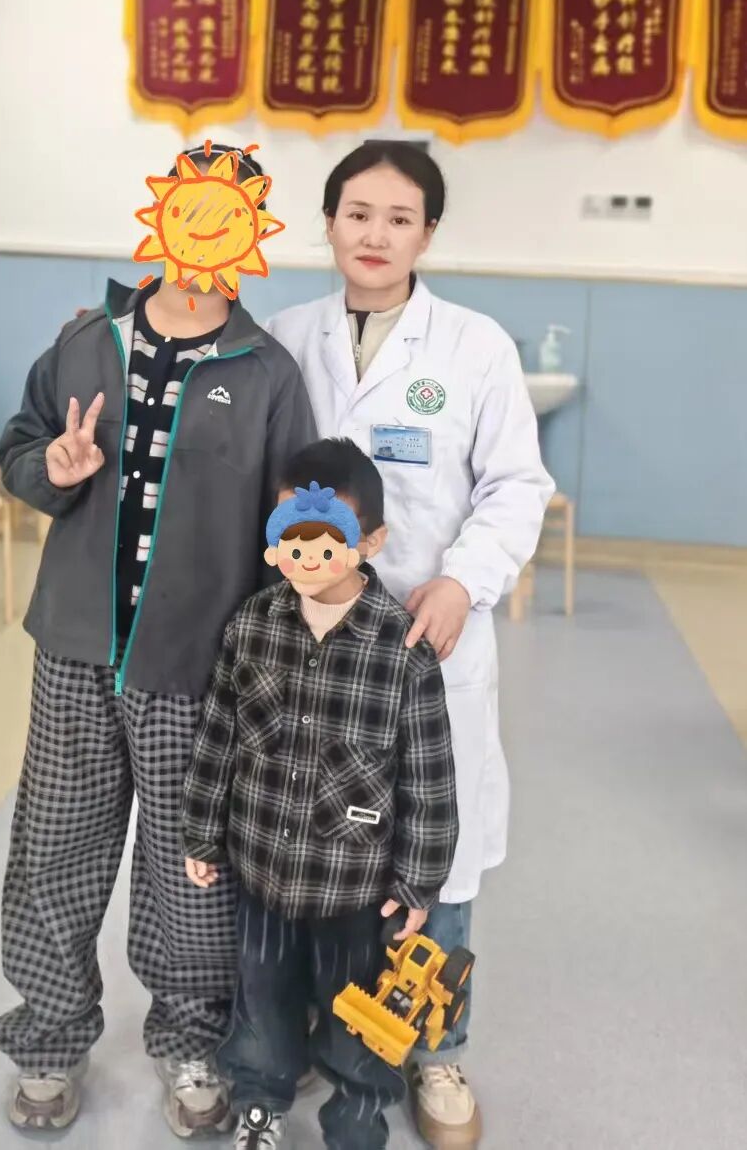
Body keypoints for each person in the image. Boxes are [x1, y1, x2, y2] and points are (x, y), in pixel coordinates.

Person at [0, 141, 317, 1137]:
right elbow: (19, 447)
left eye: (227, 215)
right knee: (56, 845)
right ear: (162, 217)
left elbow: (288, 528)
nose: (204, 231)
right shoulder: (86, 341)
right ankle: (49, 1038)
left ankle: (189, 1041)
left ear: (251, 235)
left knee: (190, 867)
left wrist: (270, 664)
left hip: (198, 664)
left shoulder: (266, 372)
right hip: (75, 647)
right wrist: (51, 468)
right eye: (191, 209)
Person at [266, 142, 555, 1149]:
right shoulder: (284, 338)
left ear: (427, 233)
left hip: (430, 644)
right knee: (314, 842)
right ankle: (319, 1026)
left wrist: (462, 580)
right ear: (328, 222)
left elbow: (515, 485)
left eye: (398, 218)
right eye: (357, 213)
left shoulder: (473, 346)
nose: (375, 235)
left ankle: (438, 1049)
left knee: (440, 851)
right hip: (309, 643)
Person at [182, 439, 460, 1150]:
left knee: (357, 1020)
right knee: (262, 1003)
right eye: (291, 538)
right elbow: (219, 736)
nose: (306, 557)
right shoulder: (252, 626)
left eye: (327, 539)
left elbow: (429, 778)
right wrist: (201, 832)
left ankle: (358, 1121)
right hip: (263, 876)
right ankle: (260, 1103)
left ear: (370, 542)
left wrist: (419, 882)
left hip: (354, 889)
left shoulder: (401, 650)